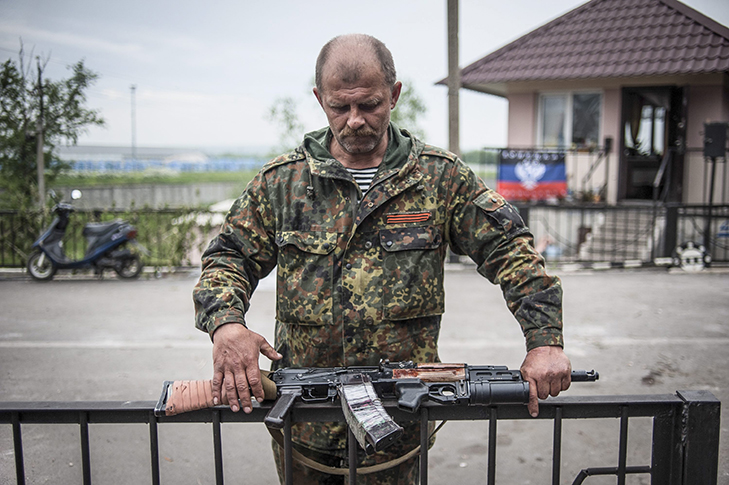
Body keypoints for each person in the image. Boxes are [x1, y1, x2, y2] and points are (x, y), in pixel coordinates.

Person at [193, 33, 572, 484]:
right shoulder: (283, 183)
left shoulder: (439, 178)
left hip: (398, 425)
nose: (355, 121)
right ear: (320, 100)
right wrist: (227, 324)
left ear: (393, 95)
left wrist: (545, 340)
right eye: (340, 107)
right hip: (305, 425)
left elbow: (512, 252)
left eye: (369, 105)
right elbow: (228, 257)